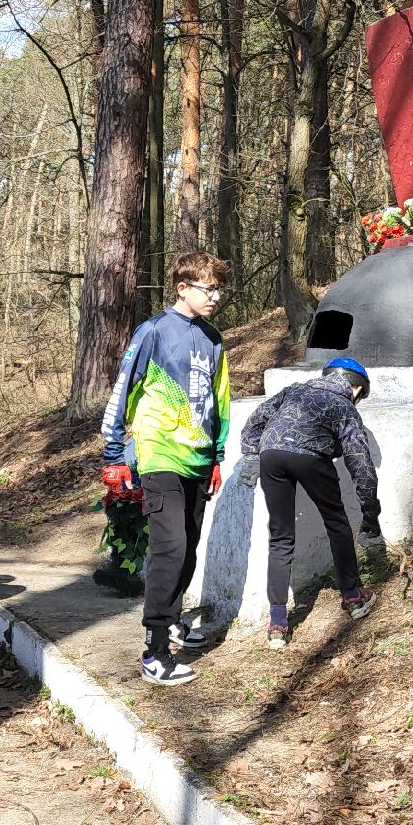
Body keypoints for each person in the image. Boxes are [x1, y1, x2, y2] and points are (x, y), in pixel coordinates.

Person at [100, 251, 233, 686]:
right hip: (158, 454)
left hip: (197, 457)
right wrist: (114, 454)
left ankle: (174, 620)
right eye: (207, 288)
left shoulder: (214, 340)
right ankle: (155, 651)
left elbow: (221, 401)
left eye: (219, 288)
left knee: (189, 545)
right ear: (183, 288)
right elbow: (124, 388)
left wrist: (216, 454)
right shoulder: (154, 331)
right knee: (170, 547)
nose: (215, 296)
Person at [237, 357, 382, 648]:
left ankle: (277, 623)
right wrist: (370, 515)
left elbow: (255, 420)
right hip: (311, 456)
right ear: (356, 388)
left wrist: (252, 455)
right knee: (337, 523)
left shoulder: (294, 390)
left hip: (271, 455)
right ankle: (353, 597)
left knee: (280, 536)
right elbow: (361, 465)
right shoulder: (344, 407)